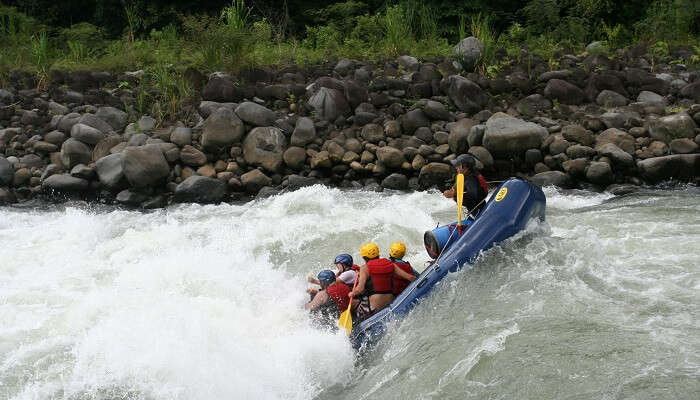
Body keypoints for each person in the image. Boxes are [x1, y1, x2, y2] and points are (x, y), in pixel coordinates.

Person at [349, 243, 416, 321]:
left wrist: (352, 293)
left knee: (353, 303)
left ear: (364, 258)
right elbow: (410, 277)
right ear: (378, 254)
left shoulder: (364, 268)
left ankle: (355, 326)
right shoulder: (390, 263)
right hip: (390, 302)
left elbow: (360, 289)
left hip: (374, 308)